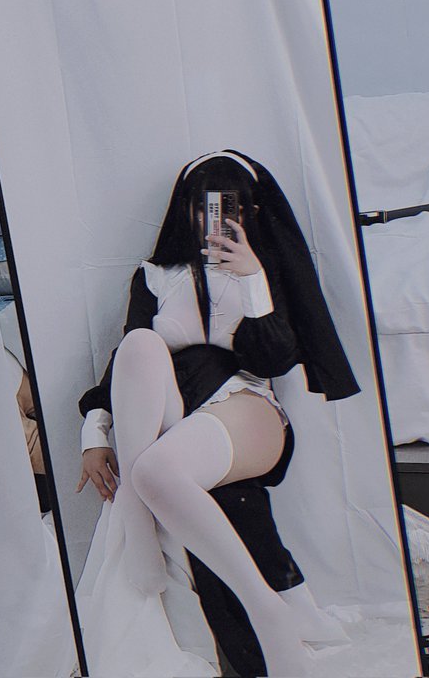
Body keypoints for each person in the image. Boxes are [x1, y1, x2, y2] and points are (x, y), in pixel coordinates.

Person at [77, 151, 360, 676]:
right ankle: (139, 520)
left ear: (250, 211)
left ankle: (266, 608)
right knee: (139, 343)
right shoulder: (156, 276)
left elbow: (275, 360)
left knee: (153, 470)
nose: (218, 219)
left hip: (247, 407)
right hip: (175, 410)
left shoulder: (264, 274)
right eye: (206, 206)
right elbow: (125, 363)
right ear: (186, 208)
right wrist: (94, 431)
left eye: (233, 207)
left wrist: (252, 281)